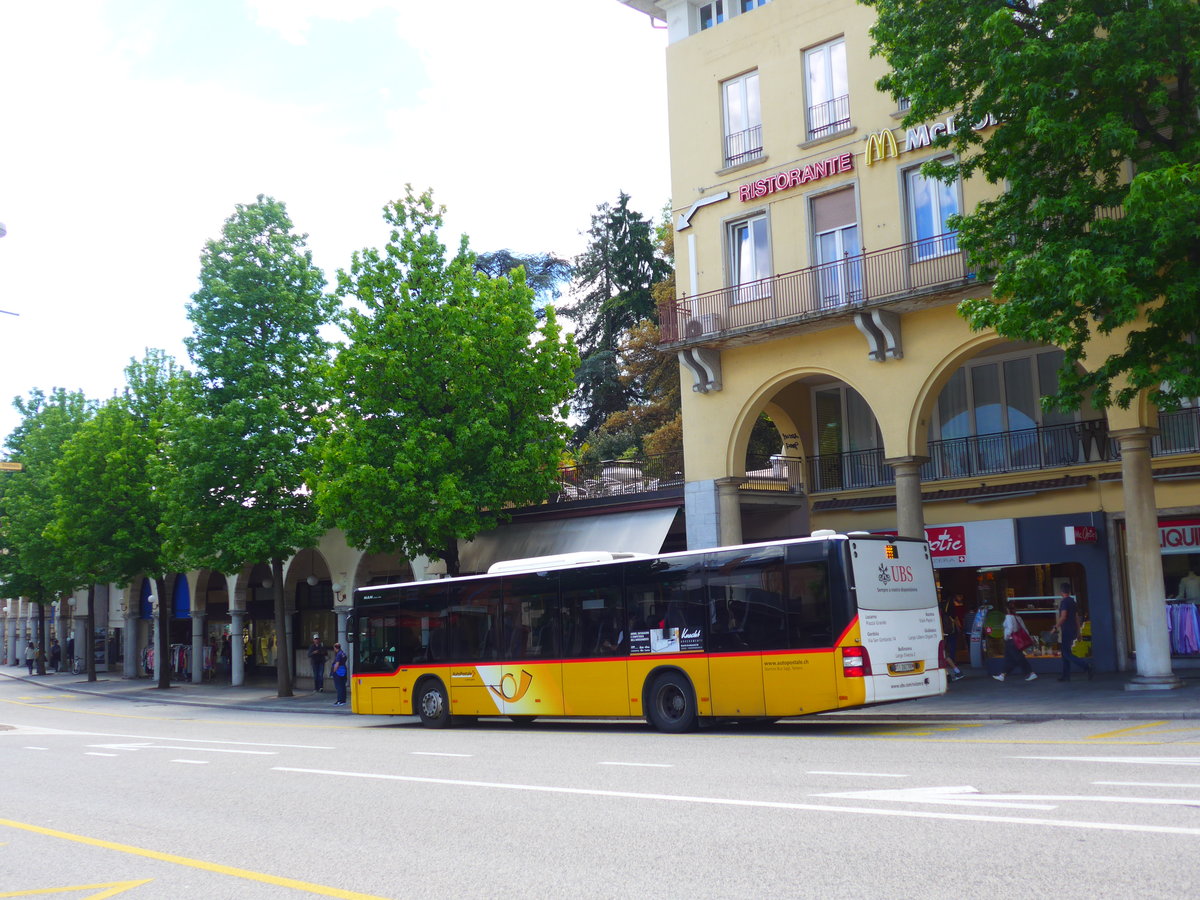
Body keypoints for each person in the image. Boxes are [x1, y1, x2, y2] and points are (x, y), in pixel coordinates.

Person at [1054, 587, 1093, 681]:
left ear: (1061, 592)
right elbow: (1076, 618)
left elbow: (1063, 617)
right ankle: (1066, 676)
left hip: (1067, 630)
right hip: (1072, 630)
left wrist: (1055, 628)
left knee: (1066, 653)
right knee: (1065, 653)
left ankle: (1086, 666)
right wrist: (1078, 632)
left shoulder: (1064, 602)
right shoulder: (1072, 602)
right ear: (1069, 592)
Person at [993, 602, 1037, 682]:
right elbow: (1024, 628)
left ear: (1007, 609)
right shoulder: (1018, 617)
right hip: (1016, 641)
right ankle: (1002, 675)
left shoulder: (1008, 617)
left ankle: (1031, 673)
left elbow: (1010, 628)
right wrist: (1029, 638)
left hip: (1011, 640)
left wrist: (1006, 637)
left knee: (1018, 658)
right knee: (1009, 658)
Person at [941, 596, 965, 681]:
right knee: (945, 654)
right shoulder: (951, 611)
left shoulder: (942, 611)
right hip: (949, 632)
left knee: (943, 654)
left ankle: (950, 674)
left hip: (944, 633)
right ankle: (953, 672)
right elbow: (956, 619)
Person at [331, 642, 349, 706]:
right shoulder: (343, 653)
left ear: (335, 648)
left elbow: (337, 664)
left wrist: (334, 671)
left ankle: (339, 701)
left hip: (338, 672)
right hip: (343, 671)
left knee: (339, 687)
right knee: (343, 686)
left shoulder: (338, 654)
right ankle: (343, 700)